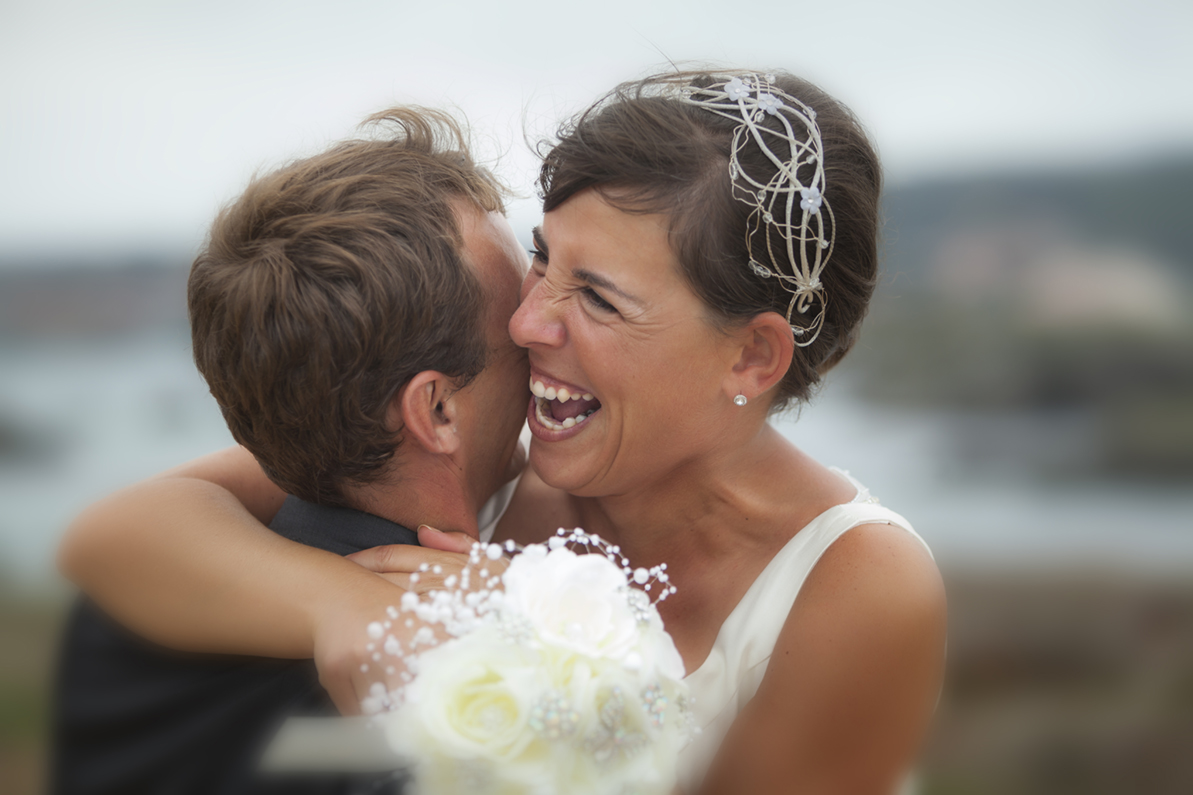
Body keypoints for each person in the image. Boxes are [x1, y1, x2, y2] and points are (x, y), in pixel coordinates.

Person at [61, 70, 947, 794]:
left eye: (597, 295)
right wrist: (354, 610)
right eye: (542, 256)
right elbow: (125, 530)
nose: (528, 321)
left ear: (752, 357)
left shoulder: (857, 584)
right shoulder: (509, 462)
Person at [51, 107, 530, 794]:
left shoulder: (118, 625)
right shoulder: (437, 710)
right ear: (436, 409)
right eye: (516, 321)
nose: (543, 328)